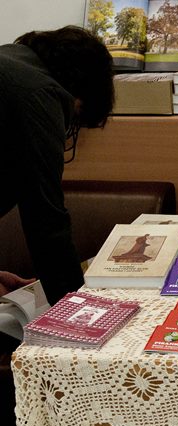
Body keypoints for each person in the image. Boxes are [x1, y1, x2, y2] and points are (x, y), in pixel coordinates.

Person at [0, 26, 115, 305]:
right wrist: (76, 310)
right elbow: (46, 222)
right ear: (79, 94)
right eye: (74, 119)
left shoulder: (10, 65)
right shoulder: (40, 94)